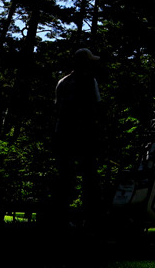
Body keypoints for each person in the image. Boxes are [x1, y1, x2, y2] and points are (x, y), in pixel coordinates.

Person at [54, 47, 102, 226]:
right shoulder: (90, 81)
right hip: (84, 135)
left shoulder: (62, 82)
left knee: (64, 177)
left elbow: (57, 109)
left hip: (62, 133)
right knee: (89, 177)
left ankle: (62, 217)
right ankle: (89, 218)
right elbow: (96, 108)